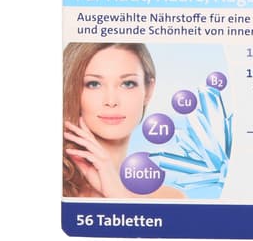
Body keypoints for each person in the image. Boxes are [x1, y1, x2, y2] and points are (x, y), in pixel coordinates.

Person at [63, 42, 183, 198]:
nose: (111, 101)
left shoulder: (168, 198)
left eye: (127, 84)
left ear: (148, 91)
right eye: (94, 84)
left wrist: (118, 195)